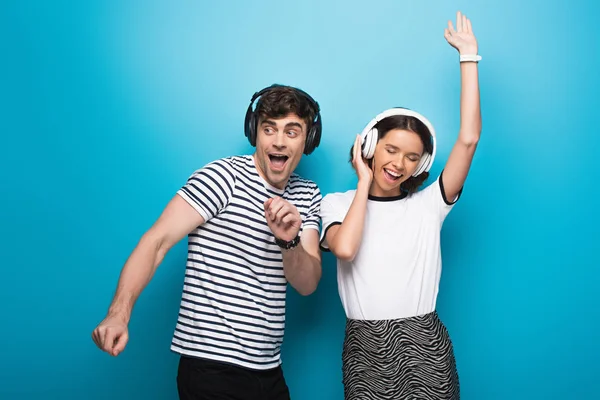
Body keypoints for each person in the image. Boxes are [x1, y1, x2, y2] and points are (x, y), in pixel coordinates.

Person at [92, 84, 324, 400]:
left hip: (268, 370)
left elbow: (307, 284)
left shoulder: (306, 194)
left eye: (292, 131)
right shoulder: (222, 177)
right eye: (269, 129)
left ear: (309, 139)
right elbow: (156, 241)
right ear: (254, 131)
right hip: (210, 369)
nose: (279, 141)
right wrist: (119, 313)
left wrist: (289, 241)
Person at [319, 11, 481, 400]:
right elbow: (344, 248)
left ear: (422, 164)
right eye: (391, 150)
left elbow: (469, 139)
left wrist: (469, 58)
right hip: (364, 346)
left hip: (424, 343)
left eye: (412, 157)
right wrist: (362, 181)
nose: (398, 163)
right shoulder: (335, 203)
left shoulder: (429, 206)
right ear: (371, 147)